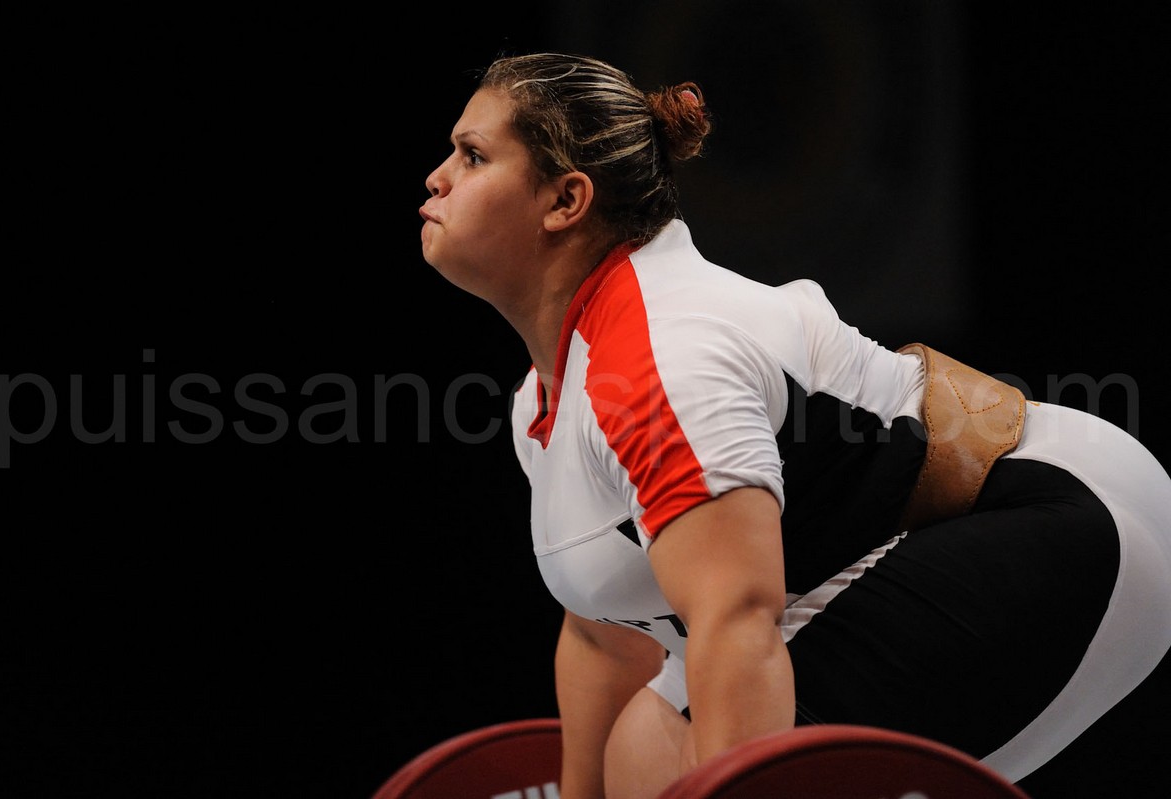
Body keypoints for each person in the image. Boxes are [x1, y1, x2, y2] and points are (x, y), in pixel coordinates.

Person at [417, 51, 1171, 799]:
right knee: (650, 755)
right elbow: (606, 631)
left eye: (472, 155)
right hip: (923, 536)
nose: (437, 177)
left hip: (1058, 515)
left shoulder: (659, 362)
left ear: (565, 200)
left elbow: (737, 622)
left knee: (663, 756)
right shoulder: (545, 399)